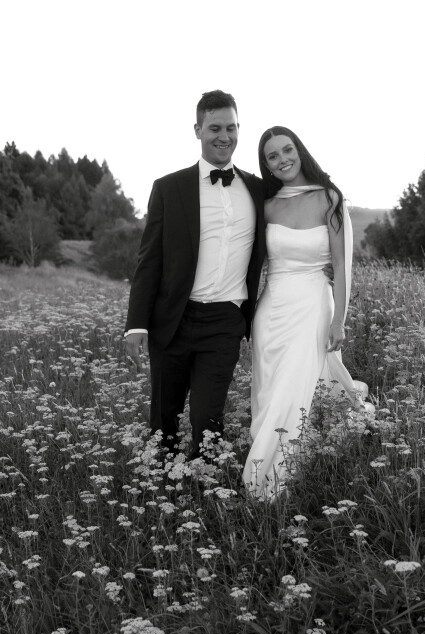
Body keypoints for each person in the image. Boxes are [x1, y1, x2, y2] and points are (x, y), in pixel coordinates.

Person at [125, 90, 266, 460]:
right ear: (198, 130)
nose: (224, 136)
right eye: (215, 128)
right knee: (164, 420)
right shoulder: (168, 188)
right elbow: (149, 260)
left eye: (231, 128)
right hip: (172, 318)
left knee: (208, 420)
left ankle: (206, 489)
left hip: (224, 322)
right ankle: (162, 485)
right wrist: (136, 324)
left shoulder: (258, 189)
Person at [242, 126, 372, 500]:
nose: (282, 159)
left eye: (287, 150)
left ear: (299, 151)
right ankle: (272, 462)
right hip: (271, 310)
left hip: (313, 304)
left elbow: (342, 265)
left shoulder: (329, 198)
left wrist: (338, 320)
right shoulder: (266, 205)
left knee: (293, 389)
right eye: (272, 156)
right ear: (266, 165)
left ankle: (272, 483)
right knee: (271, 392)